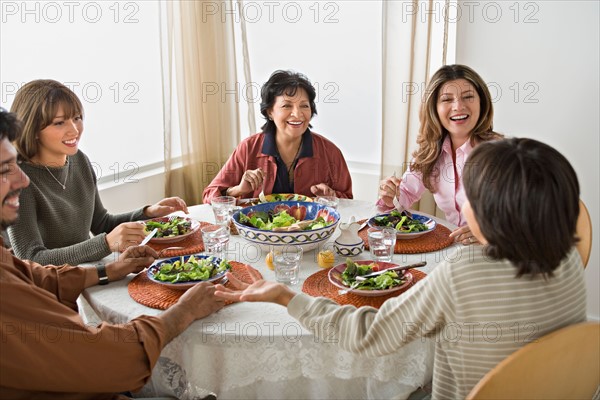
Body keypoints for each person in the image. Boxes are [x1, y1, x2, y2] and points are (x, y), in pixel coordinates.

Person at [215, 137, 587, 399]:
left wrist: (284, 295)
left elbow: (371, 335)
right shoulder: (570, 260)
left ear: (493, 211)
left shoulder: (466, 272)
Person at [0, 108, 224, 399]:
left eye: (76, 118)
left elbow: (36, 275)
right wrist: (184, 312)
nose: (22, 180)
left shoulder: (78, 161)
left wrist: (109, 269)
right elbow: (110, 360)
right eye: (5, 170)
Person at [7, 80, 189, 266]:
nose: (74, 130)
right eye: (60, 123)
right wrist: (106, 243)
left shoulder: (79, 160)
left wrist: (148, 213)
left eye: (77, 118)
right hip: (48, 286)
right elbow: (31, 258)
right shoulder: (17, 180)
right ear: (33, 128)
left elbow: (101, 223)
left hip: (84, 272)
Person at [377, 64, 503, 245]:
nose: (458, 106)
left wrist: (489, 232)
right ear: (433, 107)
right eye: (447, 99)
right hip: (453, 250)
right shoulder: (429, 152)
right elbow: (403, 195)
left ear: (482, 102)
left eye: (468, 97)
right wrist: (390, 194)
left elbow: (525, 215)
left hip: (497, 252)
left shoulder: (501, 154)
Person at [202, 70, 353, 203]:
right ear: (270, 112)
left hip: (312, 234)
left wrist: (331, 196)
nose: (297, 114)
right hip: (259, 233)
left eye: (304, 105)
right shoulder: (248, 148)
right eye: (286, 105)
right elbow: (209, 195)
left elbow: (348, 201)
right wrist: (238, 190)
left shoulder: (330, 152)